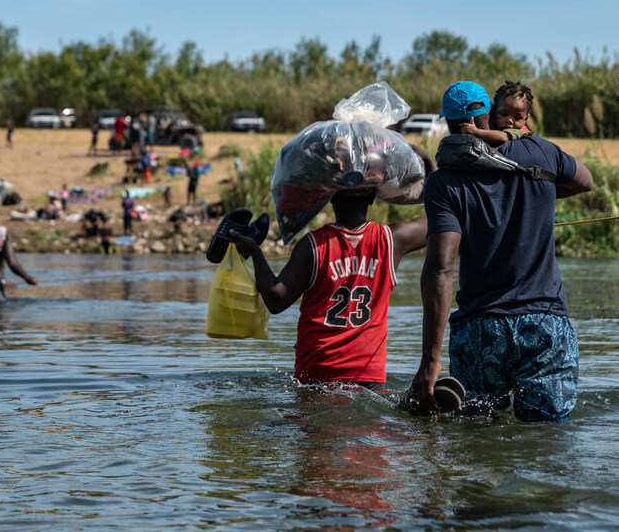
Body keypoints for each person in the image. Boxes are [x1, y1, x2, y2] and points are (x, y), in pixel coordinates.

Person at [405, 81, 594, 422]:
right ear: (488, 114)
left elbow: (440, 271)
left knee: (478, 444)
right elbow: (585, 181)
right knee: (544, 444)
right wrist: (540, 192)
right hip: (544, 324)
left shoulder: (444, 182)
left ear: (448, 123)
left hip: (479, 329)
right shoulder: (543, 152)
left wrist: (430, 364)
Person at [229, 145, 433, 388]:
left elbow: (275, 299)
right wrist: (429, 165)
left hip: (317, 372)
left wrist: (254, 250)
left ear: (330, 196)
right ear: (373, 196)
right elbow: (438, 216)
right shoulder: (391, 240)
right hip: (368, 376)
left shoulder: (312, 246)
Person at [459, 80, 532, 146]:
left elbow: (503, 137)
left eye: (517, 118)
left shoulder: (518, 131)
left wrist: (476, 132)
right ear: (494, 111)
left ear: (525, 119)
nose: (510, 120)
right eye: (504, 114)